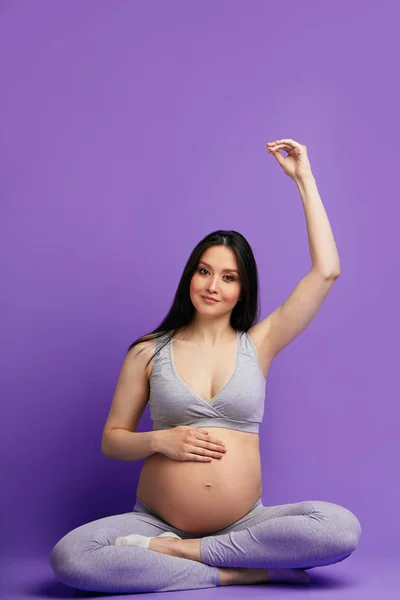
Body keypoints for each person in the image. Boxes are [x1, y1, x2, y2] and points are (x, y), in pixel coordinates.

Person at [50, 139, 362, 593]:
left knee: (338, 528)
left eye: (228, 276)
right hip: (155, 523)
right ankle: (236, 572)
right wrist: (161, 440)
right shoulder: (148, 351)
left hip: (244, 525)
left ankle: (185, 556)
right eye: (203, 271)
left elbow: (326, 271)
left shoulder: (260, 344)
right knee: (71, 558)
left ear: (242, 288)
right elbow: (112, 442)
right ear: (190, 277)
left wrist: (304, 180)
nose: (213, 285)